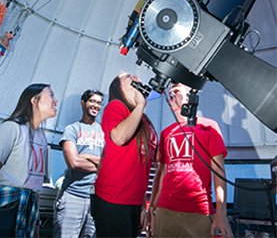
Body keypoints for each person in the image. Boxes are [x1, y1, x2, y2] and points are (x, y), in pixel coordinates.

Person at [0, 83, 58, 238]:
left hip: (27, 209)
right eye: (50, 95)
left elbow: (36, 185)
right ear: (34, 100)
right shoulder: (11, 128)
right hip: (5, 208)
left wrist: (36, 223)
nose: (55, 101)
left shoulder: (42, 137)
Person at [146, 83, 233, 238]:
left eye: (177, 91)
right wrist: (152, 209)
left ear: (190, 96)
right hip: (165, 211)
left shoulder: (209, 127)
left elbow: (219, 173)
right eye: (170, 93)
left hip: (198, 213)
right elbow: (161, 174)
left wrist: (221, 213)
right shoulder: (166, 133)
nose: (172, 96)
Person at [91, 73, 158, 238]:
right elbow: (120, 137)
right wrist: (140, 104)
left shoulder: (144, 120)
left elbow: (145, 166)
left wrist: (144, 206)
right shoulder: (116, 106)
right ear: (119, 88)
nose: (135, 76)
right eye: (128, 76)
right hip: (113, 200)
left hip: (134, 202)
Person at [53, 89, 105, 238]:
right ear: (83, 103)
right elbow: (73, 162)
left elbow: (110, 163)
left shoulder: (105, 132)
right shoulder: (72, 129)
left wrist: (87, 156)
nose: (96, 105)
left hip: (96, 199)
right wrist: (101, 165)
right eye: (93, 101)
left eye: (99, 103)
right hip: (72, 196)